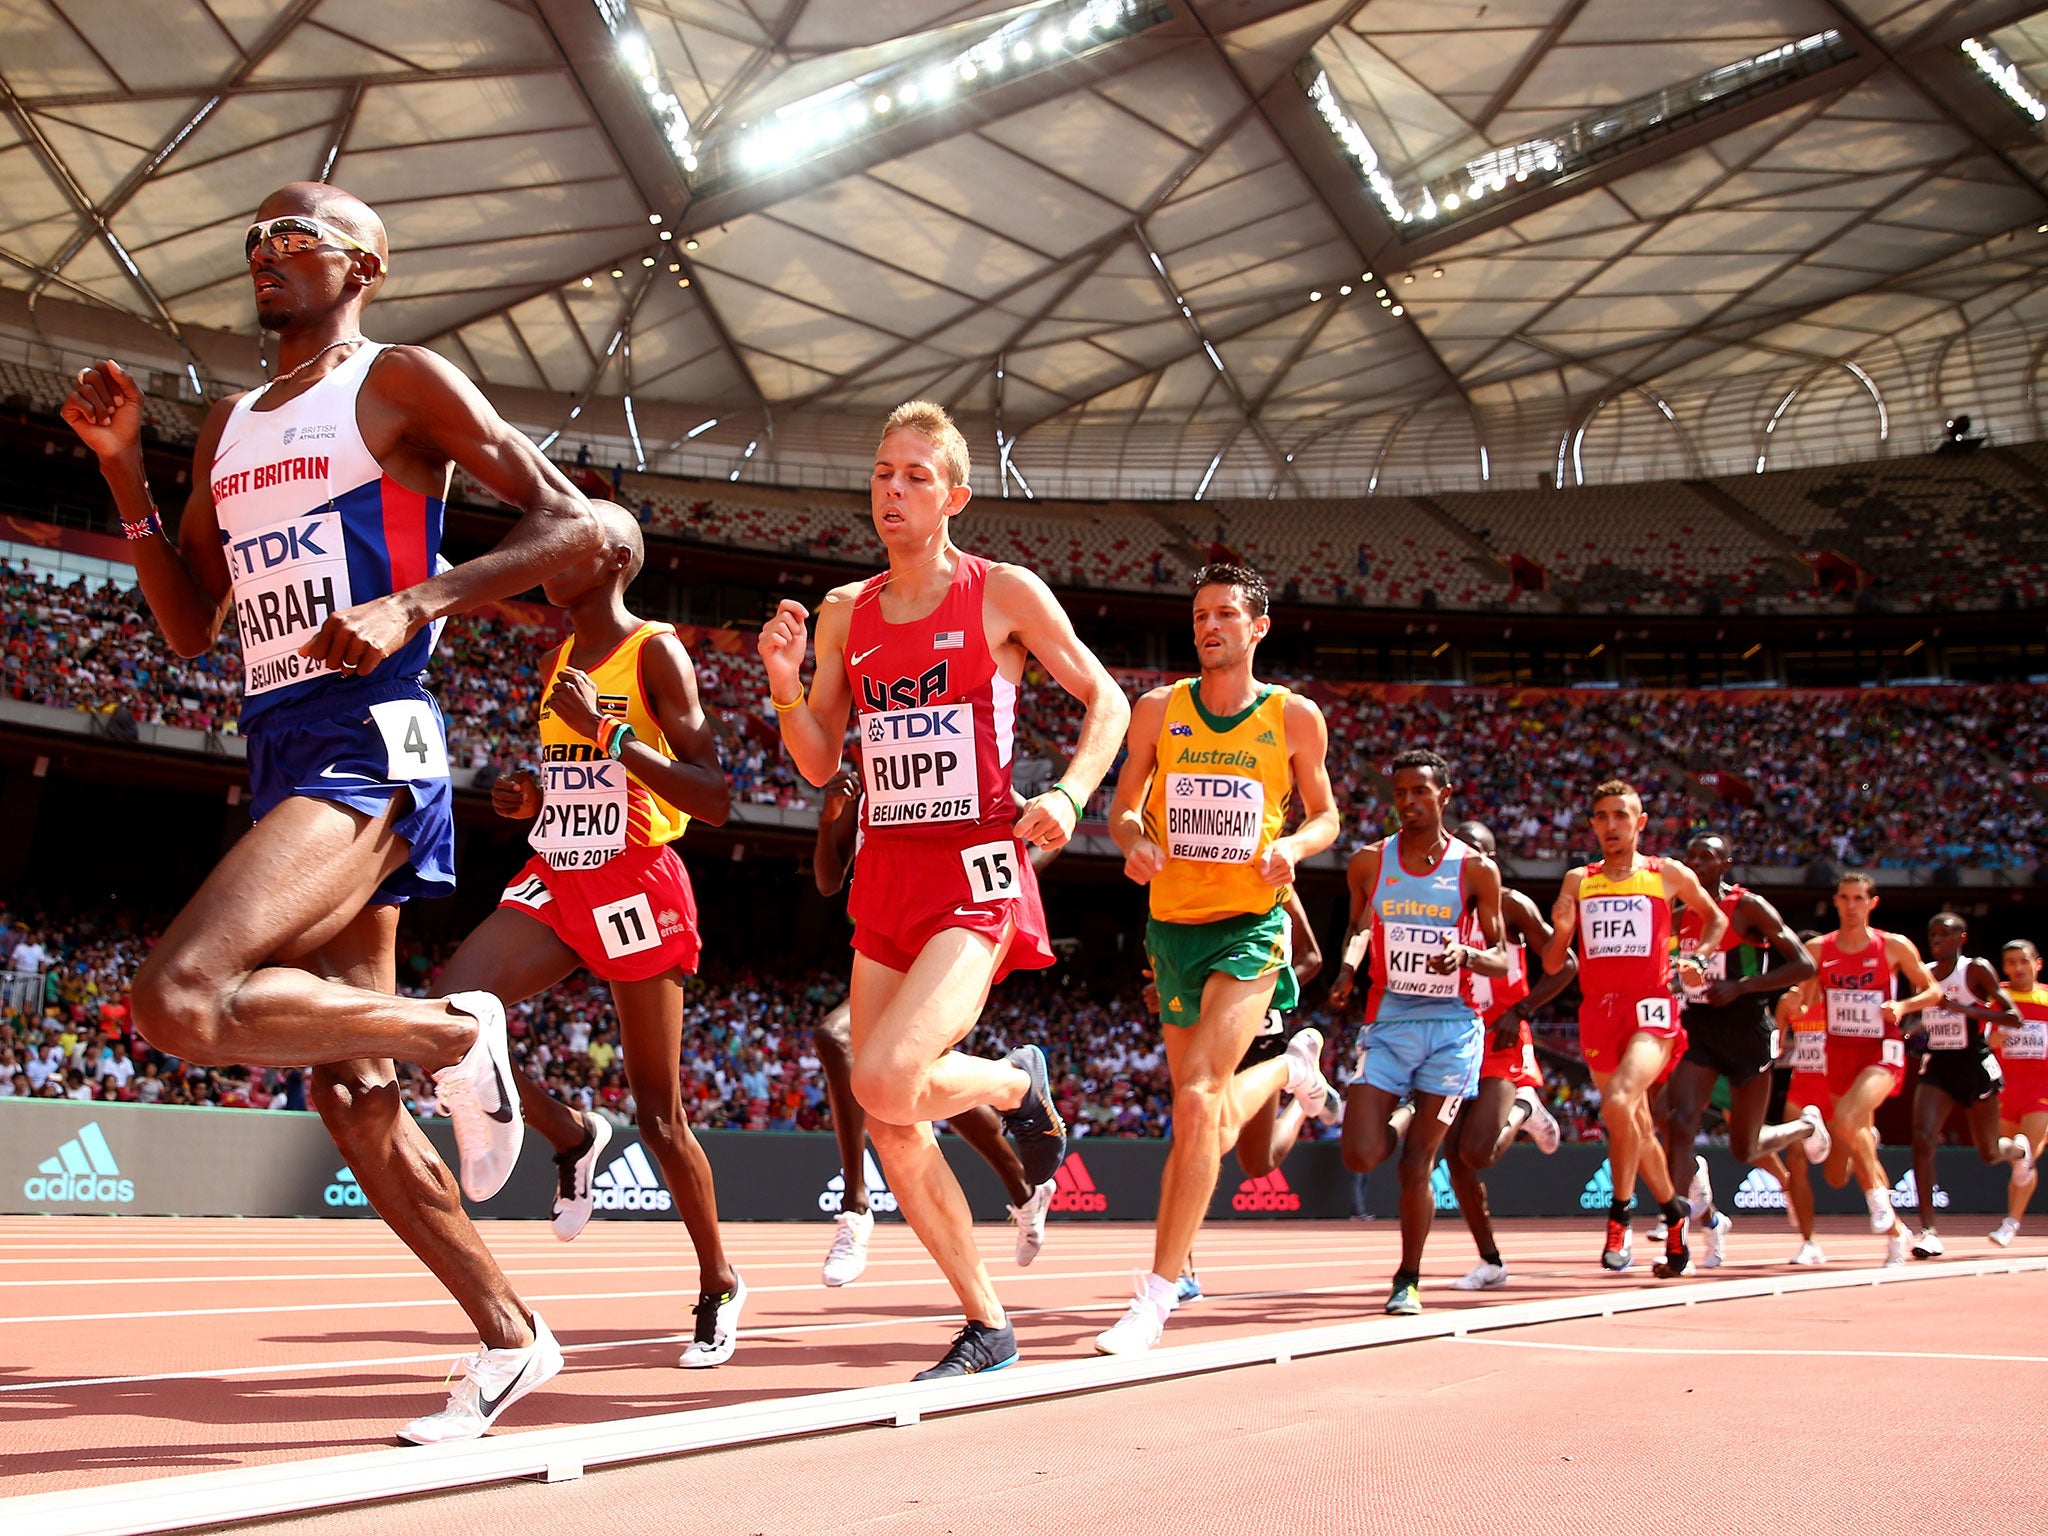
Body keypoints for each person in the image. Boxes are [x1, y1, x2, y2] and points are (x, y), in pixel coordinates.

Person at [59, 181, 603, 1442]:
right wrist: (128, 473)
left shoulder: (400, 382)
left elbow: (578, 524)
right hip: (278, 737)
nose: (268, 253)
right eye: (254, 238)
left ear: (362, 264)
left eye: (295, 237)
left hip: (372, 741)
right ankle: (514, 1341)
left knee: (177, 999)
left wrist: (417, 604)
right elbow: (193, 623)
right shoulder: (229, 426)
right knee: (352, 1095)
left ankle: (456, 1037)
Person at [758, 400, 1128, 1379]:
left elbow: (1107, 697)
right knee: (887, 1121)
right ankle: (985, 1323)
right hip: (887, 873)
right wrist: (785, 685)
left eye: (915, 475)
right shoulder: (846, 612)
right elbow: (814, 763)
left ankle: (1013, 1083)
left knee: (881, 1078)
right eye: (882, 472)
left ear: (954, 496)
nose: (892, 489)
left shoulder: (1001, 593)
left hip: (976, 872)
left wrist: (1069, 788)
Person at [431, 502, 746, 1367]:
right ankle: (569, 1134)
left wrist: (607, 731)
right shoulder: (556, 659)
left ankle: (718, 1282)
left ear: (609, 558)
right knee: (442, 1017)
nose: (542, 558)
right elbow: (571, 780)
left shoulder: (656, 650)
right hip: (557, 872)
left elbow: (712, 797)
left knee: (659, 1116)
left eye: (560, 545)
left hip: (636, 881)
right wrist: (528, 798)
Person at [1096, 562, 1339, 1350]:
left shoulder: (1293, 717)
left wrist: (1293, 847)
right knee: (1192, 1113)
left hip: (1249, 925)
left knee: (1200, 1098)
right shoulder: (1160, 710)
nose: (1209, 626)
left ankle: (1156, 1295)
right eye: (1200, 614)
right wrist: (1132, 841)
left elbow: (1327, 815)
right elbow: (1122, 804)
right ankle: (1293, 1069)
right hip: (1173, 927)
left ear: (1258, 627)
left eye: (1226, 614)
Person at [809, 764, 1059, 1287]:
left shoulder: (952, 760)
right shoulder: (869, 782)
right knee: (919, 1084)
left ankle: (856, 1207)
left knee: (842, 1041)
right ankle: (1022, 1185)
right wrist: (829, 818)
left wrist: (1003, 886)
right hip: (885, 945)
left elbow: (1043, 832)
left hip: (955, 937)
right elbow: (830, 882)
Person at [1328, 752, 1505, 1315]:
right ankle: (1402, 1111)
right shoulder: (1368, 862)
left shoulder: (1476, 869)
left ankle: (1407, 1278)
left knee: (1415, 1164)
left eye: (1420, 792)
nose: (1408, 802)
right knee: (1358, 1154)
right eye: (1400, 793)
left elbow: (1502, 957)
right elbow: (1359, 926)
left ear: (1444, 795)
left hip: (1453, 1031)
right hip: (1388, 1025)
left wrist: (1468, 954)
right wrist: (1349, 969)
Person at [1542, 780, 1727, 1277]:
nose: (1611, 826)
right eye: (1601, 816)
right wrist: (1561, 930)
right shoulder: (1578, 880)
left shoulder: (1666, 874)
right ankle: (1674, 1213)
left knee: (1620, 1101)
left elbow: (1714, 921)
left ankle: (1620, 1213)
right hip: (1597, 1014)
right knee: (1637, 1126)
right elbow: (1554, 962)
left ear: (1639, 823)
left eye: (1621, 816)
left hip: (1651, 1008)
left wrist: (1698, 959)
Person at [1662, 833, 1824, 1267]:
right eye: (1691, 855)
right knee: (1680, 1123)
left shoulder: (1748, 907)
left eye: (1707, 857)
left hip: (1748, 1028)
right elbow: (1679, 975)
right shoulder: (1678, 917)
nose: (1697, 862)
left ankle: (1806, 1128)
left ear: (1725, 863)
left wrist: (1741, 987)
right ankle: (1675, 1231)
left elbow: (1804, 964)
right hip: (1699, 1027)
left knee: (1745, 1147)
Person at [1172, 886, 1336, 1304]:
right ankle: (1179, 1272)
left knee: (1257, 1162)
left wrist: (1251, 994)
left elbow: (1312, 956)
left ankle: (1302, 1093)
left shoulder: (1273, 875)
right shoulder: (1179, 879)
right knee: (1191, 1133)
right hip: (1198, 1026)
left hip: (1259, 1033)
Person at [1436, 820, 1572, 1291]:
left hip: (1502, 1039)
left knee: (1476, 1151)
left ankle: (1527, 1106)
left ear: (1493, 860)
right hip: (1457, 1041)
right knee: (1455, 1157)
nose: (1471, 859)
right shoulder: (1439, 902)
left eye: (1481, 851)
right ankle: (1490, 1261)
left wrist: (1522, 1009)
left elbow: (1565, 964)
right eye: (1463, 849)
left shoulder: (1512, 905)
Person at [1790, 873, 1942, 1267]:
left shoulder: (1892, 946)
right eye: (1844, 897)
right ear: (1836, 902)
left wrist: (1904, 1007)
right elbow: (1805, 1001)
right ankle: (1895, 1231)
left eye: (1859, 898)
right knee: (1843, 1166)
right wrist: (1796, 1002)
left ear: (1872, 903)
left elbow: (1933, 990)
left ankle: (1876, 1199)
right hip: (1838, 1052)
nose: (1852, 905)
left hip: (1882, 1050)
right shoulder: (1818, 949)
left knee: (1845, 1117)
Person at [1909, 914, 2028, 1257]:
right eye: (1932, 933)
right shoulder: (1925, 973)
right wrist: (1910, 1026)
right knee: (1922, 1138)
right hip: (1939, 1064)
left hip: (1974, 1063)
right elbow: (1925, 1016)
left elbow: (2013, 1017)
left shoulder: (1975, 969)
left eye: (1945, 934)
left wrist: (1961, 1008)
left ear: (1962, 937)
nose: (1936, 939)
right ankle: (1928, 1231)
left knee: (1990, 1152)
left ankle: (2017, 1151)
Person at [1990, 939, 2048, 1247]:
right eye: (2011, 962)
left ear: (2037, 964)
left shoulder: (2047, 998)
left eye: (2023, 961)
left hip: (2041, 1091)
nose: (2017, 968)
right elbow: (1981, 1039)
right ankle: (2012, 1219)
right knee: (2016, 1158)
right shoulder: (1998, 998)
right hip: (2005, 1090)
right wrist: (1992, 1040)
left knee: (2029, 1149)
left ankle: (2010, 1223)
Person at [1776, 946, 1829, 1265]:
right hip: (1803, 1085)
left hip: (1836, 1089)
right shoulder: (1788, 1001)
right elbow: (1776, 1047)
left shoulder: (1836, 996)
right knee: (1795, 1160)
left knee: (1839, 1171)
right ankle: (1809, 1242)